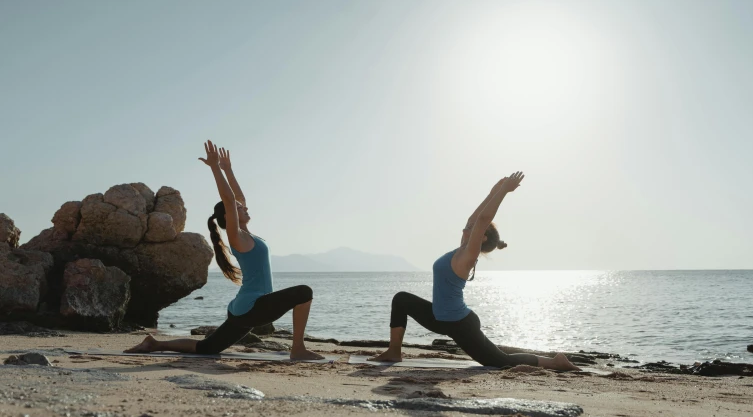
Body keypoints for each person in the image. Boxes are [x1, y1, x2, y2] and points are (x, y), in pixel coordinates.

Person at [125, 140, 323, 360]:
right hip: (253, 307)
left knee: (207, 348)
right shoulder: (237, 238)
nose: (244, 207)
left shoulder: (248, 235)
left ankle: (154, 344)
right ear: (230, 217)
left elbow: (237, 198)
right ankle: (298, 348)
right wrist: (215, 168)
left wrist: (228, 169)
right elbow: (229, 200)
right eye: (239, 209)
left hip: (246, 308)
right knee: (304, 292)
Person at [371, 171, 580, 370]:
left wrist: (504, 192)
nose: (466, 228)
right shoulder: (461, 249)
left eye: (471, 230)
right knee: (401, 299)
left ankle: (555, 362)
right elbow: (476, 218)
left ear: (482, 237)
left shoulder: (468, 256)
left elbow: (482, 220)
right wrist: (493, 191)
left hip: (460, 324)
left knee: (500, 361)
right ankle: (394, 351)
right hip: (438, 318)